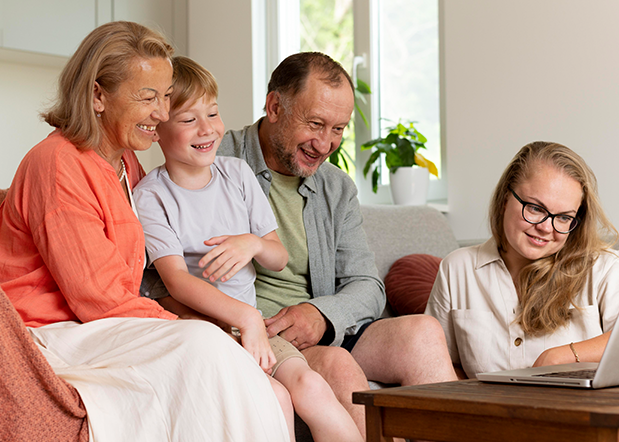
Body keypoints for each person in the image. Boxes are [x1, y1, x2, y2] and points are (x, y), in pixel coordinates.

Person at [0, 21, 289, 441]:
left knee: (217, 353)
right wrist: (188, 324)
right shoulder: (57, 164)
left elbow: (140, 282)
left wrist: (199, 319)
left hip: (102, 328)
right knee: (203, 346)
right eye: (148, 97)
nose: (162, 114)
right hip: (49, 334)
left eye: (165, 97)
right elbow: (100, 299)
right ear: (97, 96)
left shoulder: (126, 164)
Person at [150, 51, 458, 436]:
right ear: (275, 106)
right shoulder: (211, 157)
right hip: (260, 331)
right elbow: (156, 279)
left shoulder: (336, 187)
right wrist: (233, 323)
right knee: (337, 365)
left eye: (339, 129)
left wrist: (321, 314)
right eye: (315, 124)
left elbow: (367, 286)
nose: (325, 143)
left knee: (424, 333)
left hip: (326, 327)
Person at [133, 56, 363, 442]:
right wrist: (246, 319)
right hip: (212, 330)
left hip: (254, 326)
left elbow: (278, 256)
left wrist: (253, 243)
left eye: (213, 114)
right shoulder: (151, 196)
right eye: (189, 120)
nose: (206, 129)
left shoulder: (236, 173)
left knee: (312, 387)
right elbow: (175, 283)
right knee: (273, 399)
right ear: (157, 128)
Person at [424, 141, 619, 378]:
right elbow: (442, 365)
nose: (546, 228)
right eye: (535, 208)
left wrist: (562, 356)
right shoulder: (457, 268)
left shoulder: (606, 268)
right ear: (505, 199)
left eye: (564, 218)